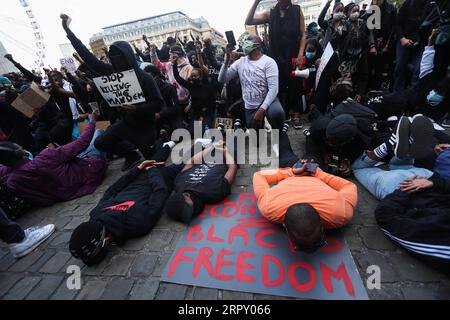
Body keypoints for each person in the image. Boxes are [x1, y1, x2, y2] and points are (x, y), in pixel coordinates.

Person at [61, 14, 165, 171]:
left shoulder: (144, 78)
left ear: (128, 56)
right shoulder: (112, 73)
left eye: (119, 56)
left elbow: (158, 103)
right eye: (113, 56)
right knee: (100, 142)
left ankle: (157, 140)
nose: (116, 60)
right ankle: (131, 154)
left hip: (144, 125)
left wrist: (137, 108)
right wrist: (68, 31)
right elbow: (88, 58)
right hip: (125, 123)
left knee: (153, 162)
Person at [69, 145, 176, 267]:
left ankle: (166, 143)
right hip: (159, 180)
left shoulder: (96, 214)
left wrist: (137, 169)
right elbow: (160, 193)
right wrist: (152, 171)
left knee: (157, 157)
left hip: (139, 178)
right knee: (185, 164)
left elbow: (112, 190)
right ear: (106, 240)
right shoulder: (137, 224)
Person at [253, 130, 357, 252]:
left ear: (285, 227)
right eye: (319, 242)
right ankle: (302, 134)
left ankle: (288, 132)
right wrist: (317, 173)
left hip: (294, 171)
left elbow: (259, 176)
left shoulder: (269, 206)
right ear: (323, 225)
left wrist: (291, 172)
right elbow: (349, 186)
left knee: (287, 153)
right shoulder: (340, 213)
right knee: (311, 155)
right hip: (311, 173)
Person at [0, 114, 107, 207]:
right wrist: (92, 121)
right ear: (18, 152)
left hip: (62, 194)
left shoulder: (12, 180)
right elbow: (82, 142)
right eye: (20, 147)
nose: (22, 148)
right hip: (87, 173)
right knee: (98, 132)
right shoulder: (46, 156)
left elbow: (42, 200)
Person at [375, 149, 450, 263]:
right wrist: (436, 182)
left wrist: (404, 191)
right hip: (431, 182)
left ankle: (394, 148)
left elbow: (385, 216)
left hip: (404, 192)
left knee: (359, 168)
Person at [246, 0, 307, 128]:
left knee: (295, 83)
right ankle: (282, 113)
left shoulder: (297, 10)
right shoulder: (270, 13)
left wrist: (301, 54)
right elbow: (249, 21)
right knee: (277, 84)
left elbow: (303, 34)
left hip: (294, 54)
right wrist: (256, 2)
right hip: (275, 55)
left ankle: (296, 113)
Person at [352, 116, 439, 200]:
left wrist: (434, 182)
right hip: (405, 189)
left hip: (427, 177)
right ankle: (389, 146)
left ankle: (399, 147)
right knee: (359, 167)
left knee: (358, 168)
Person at [219, 35, 285, 131]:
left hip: (268, 101)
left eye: (249, 41)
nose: (246, 43)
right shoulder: (240, 62)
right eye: (245, 41)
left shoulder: (269, 62)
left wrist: (262, 110)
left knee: (277, 113)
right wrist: (226, 59)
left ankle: (279, 134)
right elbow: (222, 79)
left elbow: (274, 89)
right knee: (256, 139)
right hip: (250, 105)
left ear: (257, 45)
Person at [165, 140, 238, 225]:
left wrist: (212, 147)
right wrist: (225, 151)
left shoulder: (179, 183)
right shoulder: (215, 192)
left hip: (209, 155)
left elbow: (191, 162)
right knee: (235, 140)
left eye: (188, 207)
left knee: (217, 138)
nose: (192, 210)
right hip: (228, 156)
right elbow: (232, 167)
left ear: (185, 195)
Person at [393, 0, 429, 92]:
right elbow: (397, 23)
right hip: (404, 40)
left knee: (418, 71)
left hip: (421, 43)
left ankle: (412, 98)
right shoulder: (408, 3)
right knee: (399, 69)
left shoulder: (430, 5)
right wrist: (402, 38)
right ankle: (397, 96)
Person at [150, 43, 193, 108]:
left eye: (170, 55)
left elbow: (192, 88)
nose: (169, 57)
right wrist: (153, 51)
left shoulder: (189, 69)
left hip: (187, 102)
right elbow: (156, 64)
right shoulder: (169, 65)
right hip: (174, 100)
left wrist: (191, 104)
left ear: (175, 56)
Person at [367, 0, 397, 91]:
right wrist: (372, 45)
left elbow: (394, 28)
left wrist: (387, 45)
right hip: (373, 45)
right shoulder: (372, 8)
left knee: (381, 69)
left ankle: (377, 90)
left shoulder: (391, 9)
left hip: (387, 44)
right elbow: (369, 29)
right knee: (369, 68)